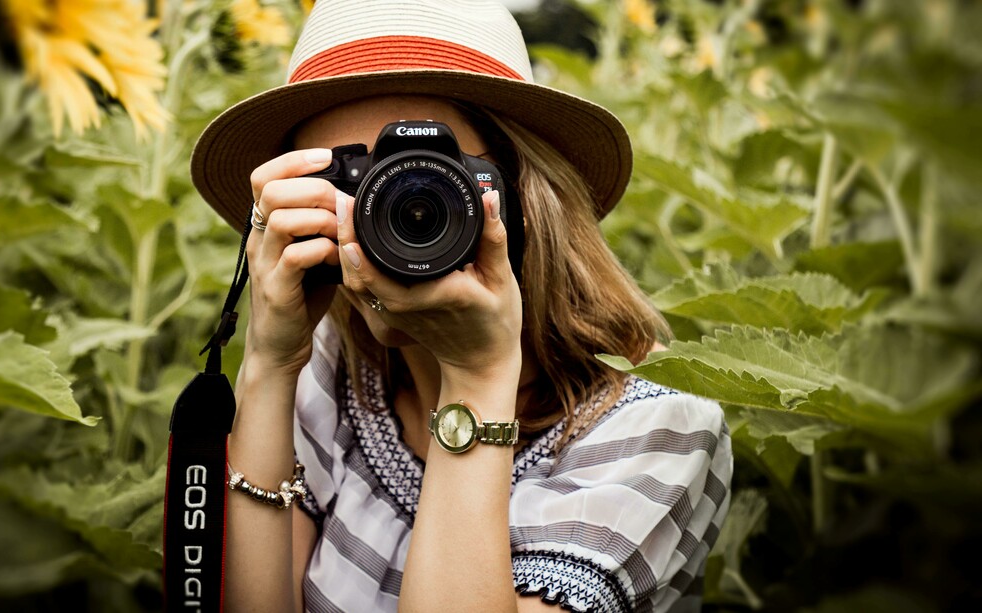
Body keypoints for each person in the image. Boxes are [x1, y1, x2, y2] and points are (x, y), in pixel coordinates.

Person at [188, 1, 732, 611]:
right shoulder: (333, 360)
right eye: (355, 182)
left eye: (430, 176)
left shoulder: (659, 421)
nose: (390, 211)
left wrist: (476, 376)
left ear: (525, 195)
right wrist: (268, 360)